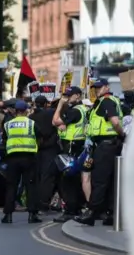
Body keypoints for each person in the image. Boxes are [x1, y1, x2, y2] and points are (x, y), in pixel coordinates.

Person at [74, 79, 125, 226]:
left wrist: (121, 134)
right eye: (95, 88)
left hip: (106, 145)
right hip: (108, 145)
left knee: (99, 180)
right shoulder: (102, 102)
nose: (97, 90)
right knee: (110, 181)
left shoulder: (106, 101)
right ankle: (111, 213)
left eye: (99, 87)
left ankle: (91, 213)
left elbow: (115, 122)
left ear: (107, 87)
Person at [1, 101, 42, 224]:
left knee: (11, 186)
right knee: (30, 186)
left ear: (15, 111)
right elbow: (40, 137)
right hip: (28, 157)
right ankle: (32, 214)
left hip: (12, 158)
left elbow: (4, 141)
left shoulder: (8, 124)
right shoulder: (31, 123)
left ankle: (8, 215)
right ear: (25, 111)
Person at [52, 87, 87, 222]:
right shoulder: (83, 109)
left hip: (72, 147)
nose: (66, 98)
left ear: (77, 96)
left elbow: (55, 121)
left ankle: (70, 211)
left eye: (69, 96)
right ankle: (76, 208)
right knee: (76, 179)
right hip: (79, 146)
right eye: (65, 95)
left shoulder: (74, 112)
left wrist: (60, 104)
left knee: (68, 181)